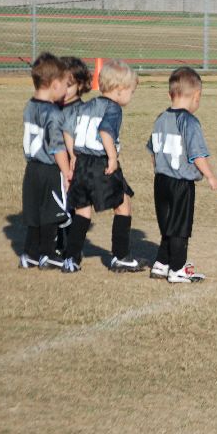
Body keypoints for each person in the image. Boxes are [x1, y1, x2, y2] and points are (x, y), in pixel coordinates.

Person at [60, 59, 142, 273]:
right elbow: (105, 132)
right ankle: (121, 256)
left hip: (82, 163)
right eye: (131, 92)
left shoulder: (85, 106)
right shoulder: (113, 108)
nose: (131, 96)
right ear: (120, 89)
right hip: (100, 162)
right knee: (123, 203)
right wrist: (112, 158)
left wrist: (73, 155)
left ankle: (71, 258)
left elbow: (67, 130)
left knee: (82, 211)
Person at [146, 67, 217, 284]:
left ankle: (161, 263)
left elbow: (153, 151)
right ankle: (178, 268)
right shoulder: (189, 122)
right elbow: (197, 155)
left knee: (168, 224)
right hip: (181, 184)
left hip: (160, 181)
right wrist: (210, 176)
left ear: (171, 94)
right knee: (179, 227)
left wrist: (159, 169)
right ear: (196, 96)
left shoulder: (160, 118)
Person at [19, 52, 72, 269]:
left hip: (31, 169)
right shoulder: (54, 113)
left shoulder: (29, 106)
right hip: (49, 170)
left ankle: (30, 254)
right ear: (54, 84)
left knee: (34, 213)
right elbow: (57, 147)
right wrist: (67, 172)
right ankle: (48, 253)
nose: (66, 90)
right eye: (65, 85)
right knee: (51, 212)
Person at [55, 56, 92, 256]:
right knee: (57, 205)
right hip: (55, 164)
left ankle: (69, 246)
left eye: (69, 86)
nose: (64, 90)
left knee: (72, 205)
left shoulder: (82, 110)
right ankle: (58, 243)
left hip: (74, 164)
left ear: (80, 85)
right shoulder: (54, 107)